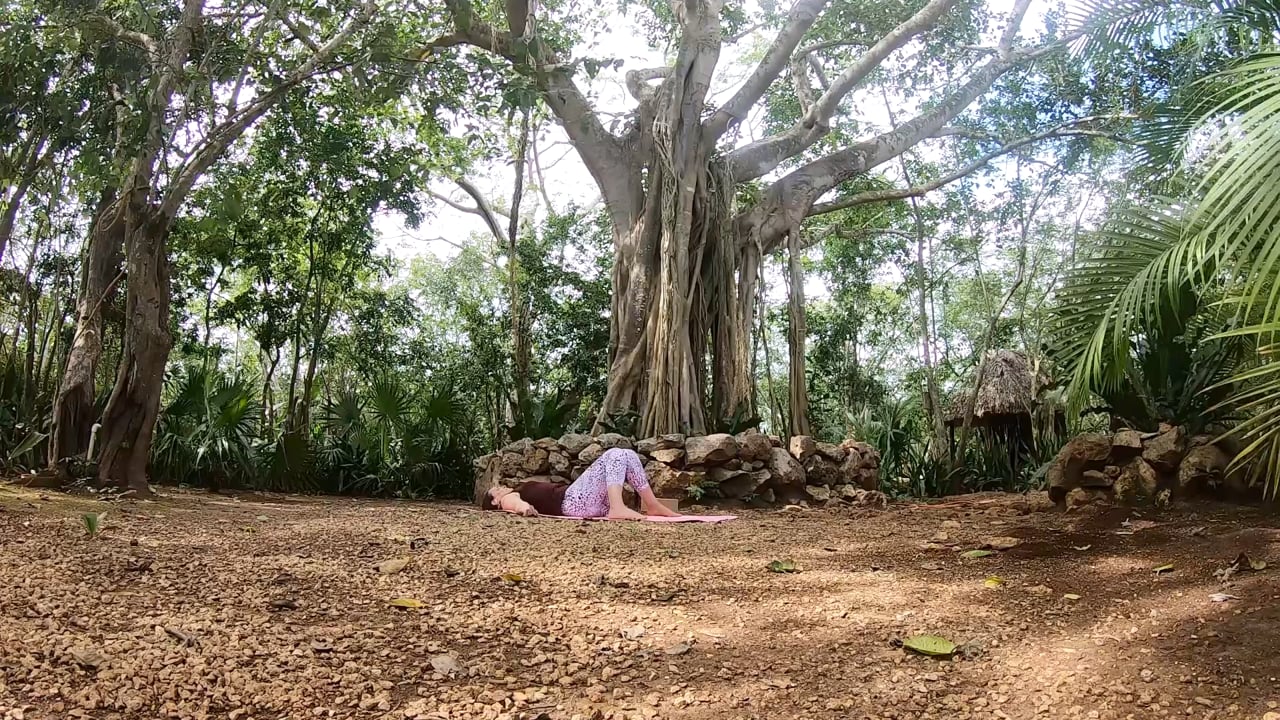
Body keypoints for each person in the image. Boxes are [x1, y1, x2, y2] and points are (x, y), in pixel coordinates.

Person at [481, 448, 681, 520]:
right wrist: (524, 509)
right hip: (573, 502)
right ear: (494, 501)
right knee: (614, 454)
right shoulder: (508, 498)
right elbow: (515, 504)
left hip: (585, 504)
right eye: (496, 490)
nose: (501, 488)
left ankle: (652, 505)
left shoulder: (516, 491)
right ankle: (618, 507)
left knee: (627, 455)